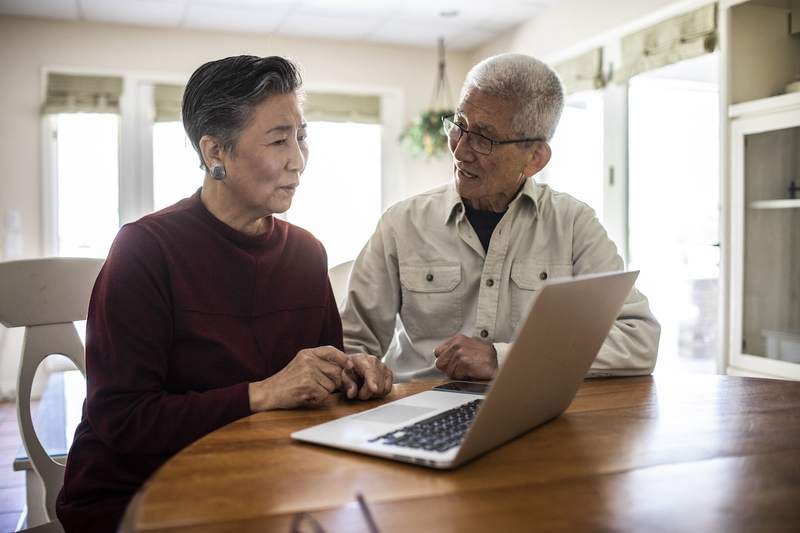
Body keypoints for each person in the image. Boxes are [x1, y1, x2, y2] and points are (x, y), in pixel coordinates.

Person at [56, 55, 393, 533]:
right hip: (138, 491)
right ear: (216, 152)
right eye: (279, 140)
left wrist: (352, 374)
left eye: (301, 137)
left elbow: (318, 381)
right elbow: (122, 418)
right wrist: (263, 393)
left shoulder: (306, 253)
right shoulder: (145, 250)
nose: (298, 159)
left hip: (261, 476)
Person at [341, 53, 660, 382]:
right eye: (459, 126)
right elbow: (350, 345)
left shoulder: (574, 225)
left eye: (483, 138)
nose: (460, 150)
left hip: (527, 410)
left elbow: (638, 339)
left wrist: (504, 359)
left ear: (534, 157)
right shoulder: (401, 223)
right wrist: (360, 371)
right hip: (417, 405)